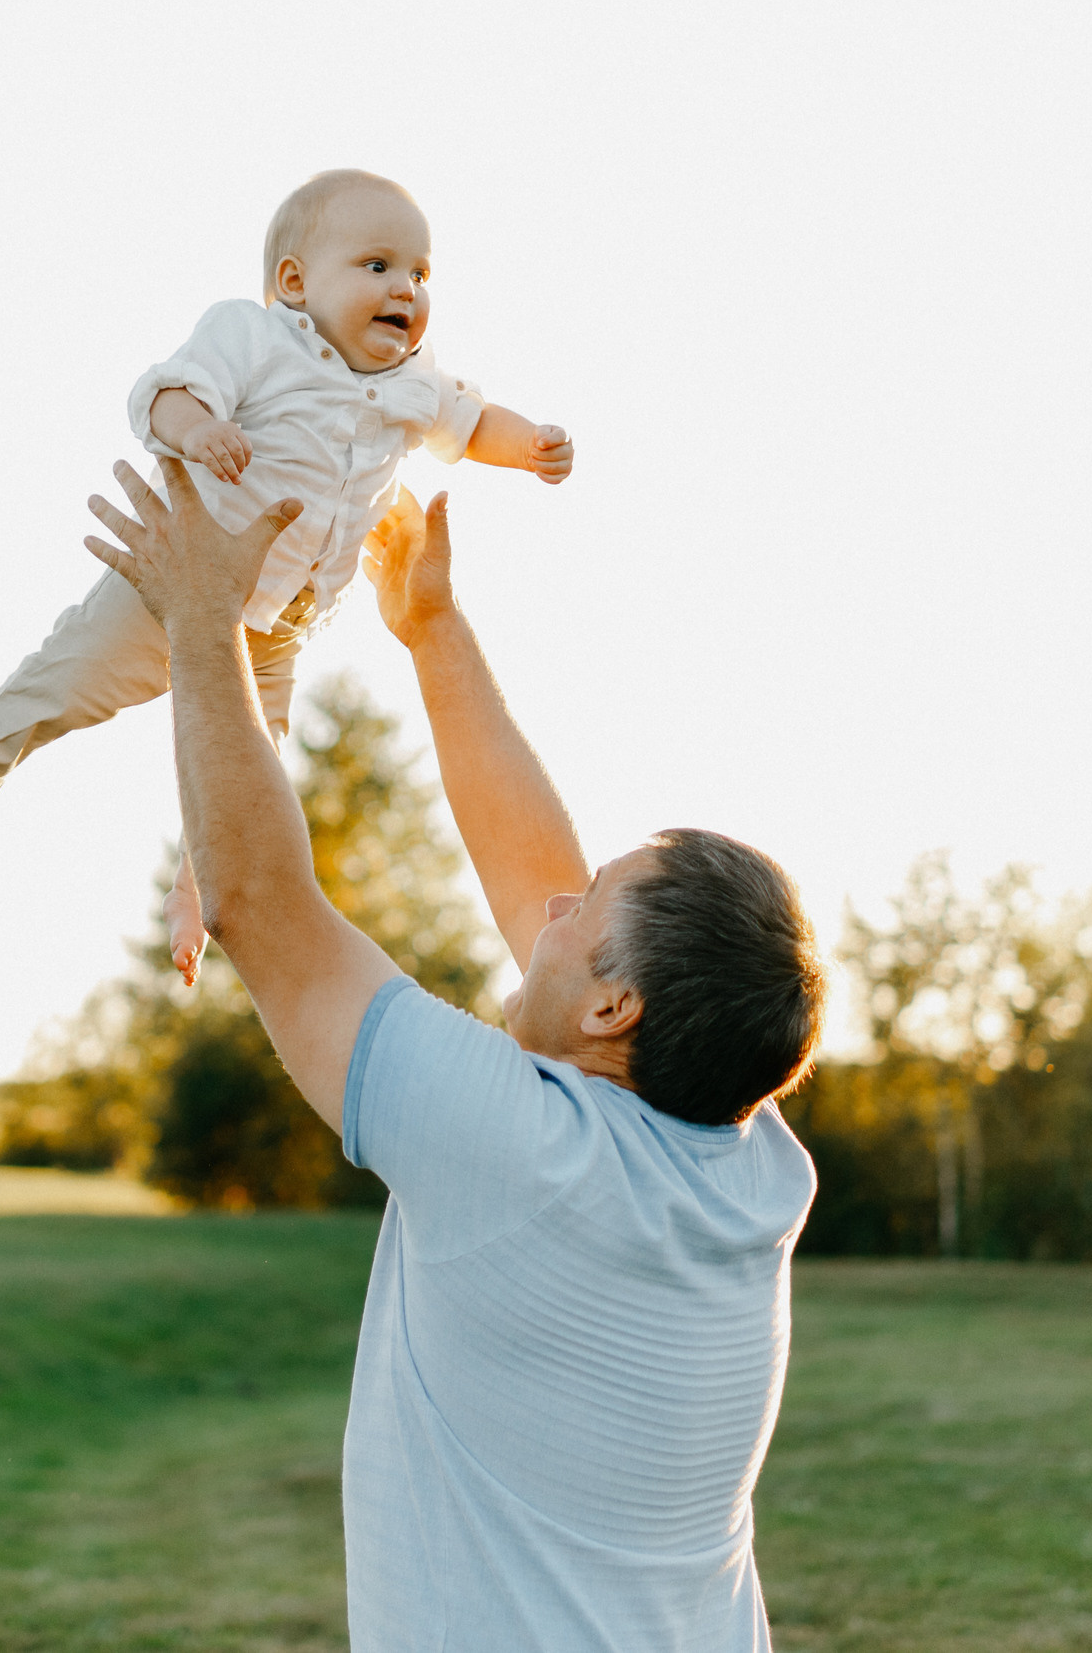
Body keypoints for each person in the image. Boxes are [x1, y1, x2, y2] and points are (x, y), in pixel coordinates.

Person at [82, 460, 827, 1652]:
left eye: (587, 905)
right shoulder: (744, 1157)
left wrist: (201, 613)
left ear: (612, 1013)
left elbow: (262, 902)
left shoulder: (522, 1153)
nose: (551, 908)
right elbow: (541, 883)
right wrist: (430, 628)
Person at [0, 168, 573, 984]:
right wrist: (200, 427)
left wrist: (531, 442)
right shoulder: (255, 339)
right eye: (378, 266)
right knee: (67, 674)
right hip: (179, 584)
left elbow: (474, 425)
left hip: (280, 625)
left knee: (254, 766)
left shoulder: (415, 387)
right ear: (294, 281)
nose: (406, 287)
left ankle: (197, 890)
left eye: (421, 273)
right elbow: (159, 396)